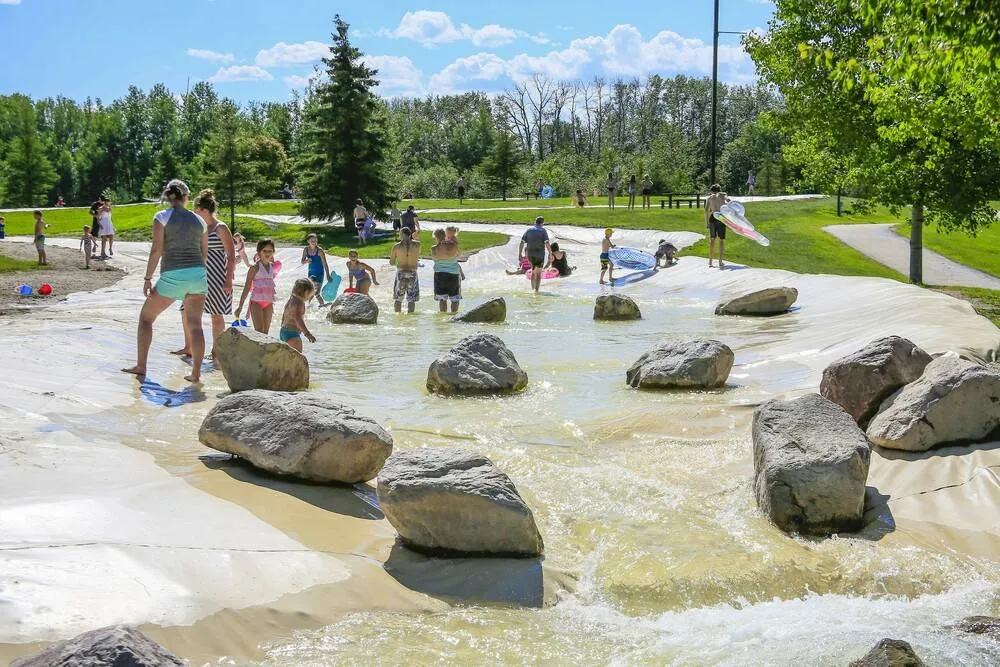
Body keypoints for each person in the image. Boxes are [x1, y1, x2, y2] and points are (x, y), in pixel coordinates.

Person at [122, 179, 208, 383]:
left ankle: (141, 366)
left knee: (146, 318)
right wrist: (195, 274)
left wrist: (147, 278)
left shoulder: (162, 217)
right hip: (198, 275)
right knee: (195, 325)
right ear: (186, 197)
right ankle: (196, 373)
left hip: (173, 274)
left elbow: (156, 250)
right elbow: (204, 253)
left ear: (169, 197)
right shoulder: (200, 221)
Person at [171, 190, 236, 359]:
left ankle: (216, 351)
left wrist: (229, 280)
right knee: (185, 310)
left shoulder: (220, 228)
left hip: (217, 277)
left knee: (216, 314)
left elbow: (231, 256)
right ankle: (189, 347)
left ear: (204, 211)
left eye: (196, 211)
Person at [235, 239, 278, 334]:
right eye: (264, 251)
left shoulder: (272, 267)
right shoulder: (254, 268)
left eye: (270, 251)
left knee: (265, 333)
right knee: (259, 332)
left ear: (273, 252)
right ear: (259, 252)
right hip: (256, 302)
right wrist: (240, 306)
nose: (267, 253)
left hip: (269, 303)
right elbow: (246, 288)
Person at [279, 279, 317, 352]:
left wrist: (282, 325)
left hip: (283, 331)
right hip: (292, 334)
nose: (310, 297)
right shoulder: (300, 303)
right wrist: (307, 334)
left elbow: (284, 313)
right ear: (306, 292)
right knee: (298, 357)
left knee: (287, 357)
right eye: (310, 295)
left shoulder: (291, 299)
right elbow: (298, 319)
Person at [432, 228, 464, 312]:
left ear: (436, 237)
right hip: (453, 274)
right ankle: (454, 316)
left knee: (442, 299)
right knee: (455, 299)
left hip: (439, 275)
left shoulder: (434, 248)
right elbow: (460, 255)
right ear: (445, 236)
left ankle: (443, 317)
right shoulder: (453, 246)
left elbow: (435, 259)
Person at [389, 227, 420, 313]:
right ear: (410, 234)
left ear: (401, 234)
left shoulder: (396, 246)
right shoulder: (417, 245)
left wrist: (398, 261)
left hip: (401, 272)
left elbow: (391, 262)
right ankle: (411, 318)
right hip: (413, 272)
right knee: (411, 299)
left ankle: (398, 316)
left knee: (398, 299)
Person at [518, 216, 552, 293]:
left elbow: (522, 242)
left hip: (530, 254)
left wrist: (519, 254)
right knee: (538, 273)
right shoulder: (543, 231)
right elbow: (547, 243)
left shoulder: (529, 230)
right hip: (540, 254)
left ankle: (532, 289)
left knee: (533, 272)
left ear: (535, 222)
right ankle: (536, 291)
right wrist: (550, 253)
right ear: (542, 223)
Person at [300, 233, 332, 306]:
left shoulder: (320, 251)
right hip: (311, 273)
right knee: (310, 292)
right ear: (308, 241)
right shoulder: (306, 250)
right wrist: (306, 261)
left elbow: (325, 264)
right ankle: (308, 307)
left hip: (319, 274)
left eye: (315, 241)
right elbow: (302, 261)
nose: (314, 242)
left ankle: (323, 306)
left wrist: (328, 275)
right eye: (312, 241)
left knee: (316, 293)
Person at [704, 184, 730, 269]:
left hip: (712, 218)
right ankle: (720, 262)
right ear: (719, 189)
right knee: (721, 240)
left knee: (712, 239)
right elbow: (728, 200)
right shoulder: (723, 194)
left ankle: (710, 262)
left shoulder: (709, 198)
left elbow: (706, 210)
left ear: (711, 190)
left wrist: (707, 223)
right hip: (721, 218)